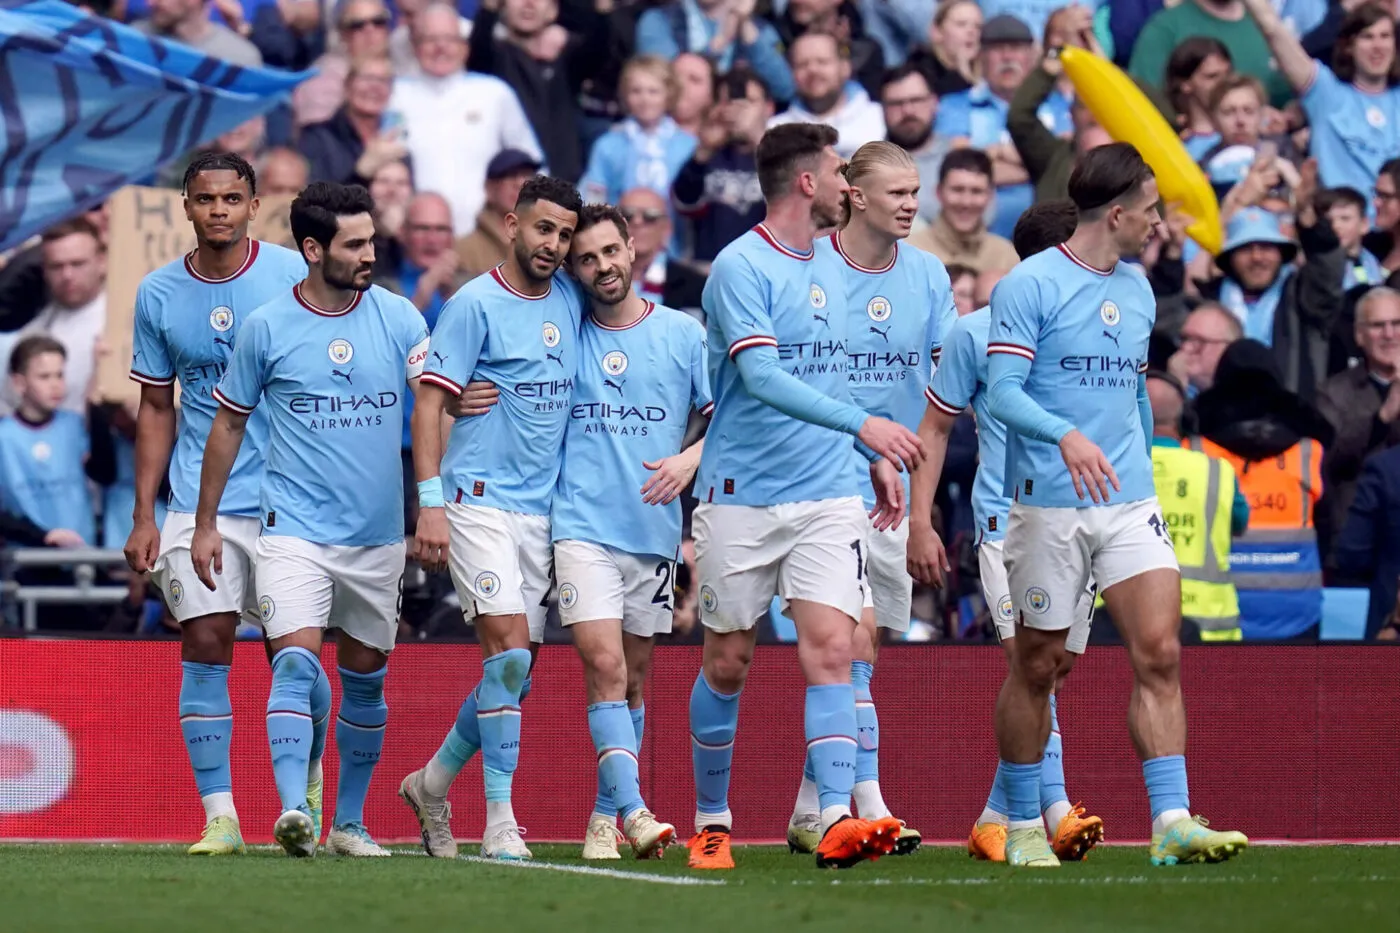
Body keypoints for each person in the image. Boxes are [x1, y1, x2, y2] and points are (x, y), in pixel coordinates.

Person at [984, 143, 1247, 867]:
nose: (1161, 222)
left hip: (1128, 501)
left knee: (1160, 650)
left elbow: (1131, 386)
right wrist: (1064, 435)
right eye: (1154, 208)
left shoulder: (1138, 291)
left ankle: (1170, 818)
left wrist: (1142, 469)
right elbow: (1003, 392)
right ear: (1120, 211)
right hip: (1048, 505)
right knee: (1038, 666)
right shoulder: (1029, 285)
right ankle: (1026, 822)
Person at [685, 122, 921, 871]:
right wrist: (867, 423)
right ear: (807, 183)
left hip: (826, 491)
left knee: (836, 649)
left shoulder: (831, 266)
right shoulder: (738, 267)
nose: (851, 183)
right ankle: (712, 820)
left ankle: (833, 818)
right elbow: (762, 378)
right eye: (839, 170)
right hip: (742, 495)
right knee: (727, 659)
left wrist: (868, 451)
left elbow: (831, 371)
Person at [190, 182, 428, 859]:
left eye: (372, 240)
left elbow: (431, 402)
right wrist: (206, 521)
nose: (369, 254)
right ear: (313, 248)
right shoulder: (267, 326)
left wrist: (462, 405)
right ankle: (295, 809)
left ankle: (348, 822)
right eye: (355, 244)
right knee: (293, 661)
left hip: (378, 536)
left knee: (364, 677)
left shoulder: (401, 317)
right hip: (291, 529)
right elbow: (228, 423)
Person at [123, 151, 307, 857]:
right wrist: (144, 512)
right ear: (187, 207)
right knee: (205, 639)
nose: (220, 210)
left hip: (291, 498)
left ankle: (303, 797)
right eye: (207, 199)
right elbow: (154, 403)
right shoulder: (159, 293)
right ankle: (221, 816)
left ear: (255, 204)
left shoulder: (292, 276)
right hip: (201, 498)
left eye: (233, 198)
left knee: (297, 656)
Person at [909, 199, 1104, 865]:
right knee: (1034, 662)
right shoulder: (977, 332)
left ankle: (996, 814)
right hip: (1006, 521)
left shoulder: (1101, 325)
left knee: (1055, 666)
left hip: (1085, 519)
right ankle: (1045, 811)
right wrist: (921, 517)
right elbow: (934, 429)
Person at [398, 176, 586, 861]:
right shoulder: (473, 303)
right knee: (507, 654)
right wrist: (431, 504)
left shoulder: (573, 297)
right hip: (476, 501)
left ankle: (432, 782)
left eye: (565, 235)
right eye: (544, 230)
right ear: (512, 224)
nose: (554, 245)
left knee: (517, 671)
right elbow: (429, 403)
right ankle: (501, 820)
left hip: (546, 511)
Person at [783, 140, 955, 858]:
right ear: (853, 194)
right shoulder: (810, 268)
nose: (911, 203)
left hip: (894, 488)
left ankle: (808, 805)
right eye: (897, 192)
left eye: (916, 191)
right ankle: (869, 803)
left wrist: (921, 513)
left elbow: (937, 405)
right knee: (846, 642)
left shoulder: (929, 275)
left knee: (863, 653)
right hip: (822, 481)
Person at [550, 204, 709, 859]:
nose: (604, 266)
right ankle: (637, 810)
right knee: (604, 662)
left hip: (654, 532)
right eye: (587, 258)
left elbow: (724, 417)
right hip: (580, 526)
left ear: (632, 246)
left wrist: (688, 459)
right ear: (574, 269)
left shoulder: (681, 333)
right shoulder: (562, 332)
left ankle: (603, 818)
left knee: (634, 677)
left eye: (610, 251)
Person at [1245, 0, 1400, 198]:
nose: (1378, 46)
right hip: (1338, 221)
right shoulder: (1325, 92)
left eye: (1385, 36)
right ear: (1348, 47)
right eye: (1367, 37)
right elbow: (1272, 29)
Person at [1147, 372, 1246, 642]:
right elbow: (1239, 522)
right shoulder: (1217, 472)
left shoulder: (1104, 467)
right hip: (1208, 625)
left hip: (1121, 623)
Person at [1318, 287, 1400, 557]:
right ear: (1359, 336)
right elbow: (1330, 461)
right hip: (1358, 540)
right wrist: (1382, 418)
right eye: (1378, 326)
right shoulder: (1333, 392)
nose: (1389, 334)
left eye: (1397, 323)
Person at [0, 336, 104, 549]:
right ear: (19, 383)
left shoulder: (74, 426)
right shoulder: (4, 435)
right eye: (44, 376)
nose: (55, 384)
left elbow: (103, 472)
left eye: (60, 375)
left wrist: (100, 376)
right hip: (26, 561)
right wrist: (42, 536)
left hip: (82, 555)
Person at [767, 34, 886, 158]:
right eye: (802, 64)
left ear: (845, 67)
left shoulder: (879, 117)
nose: (812, 70)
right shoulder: (776, 131)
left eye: (822, 62)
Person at [908, 149, 1019, 275]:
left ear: (990, 195)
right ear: (939, 192)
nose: (966, 202)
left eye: (976, 191)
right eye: (958, 190)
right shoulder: (910, 252)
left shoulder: (1007, 257)